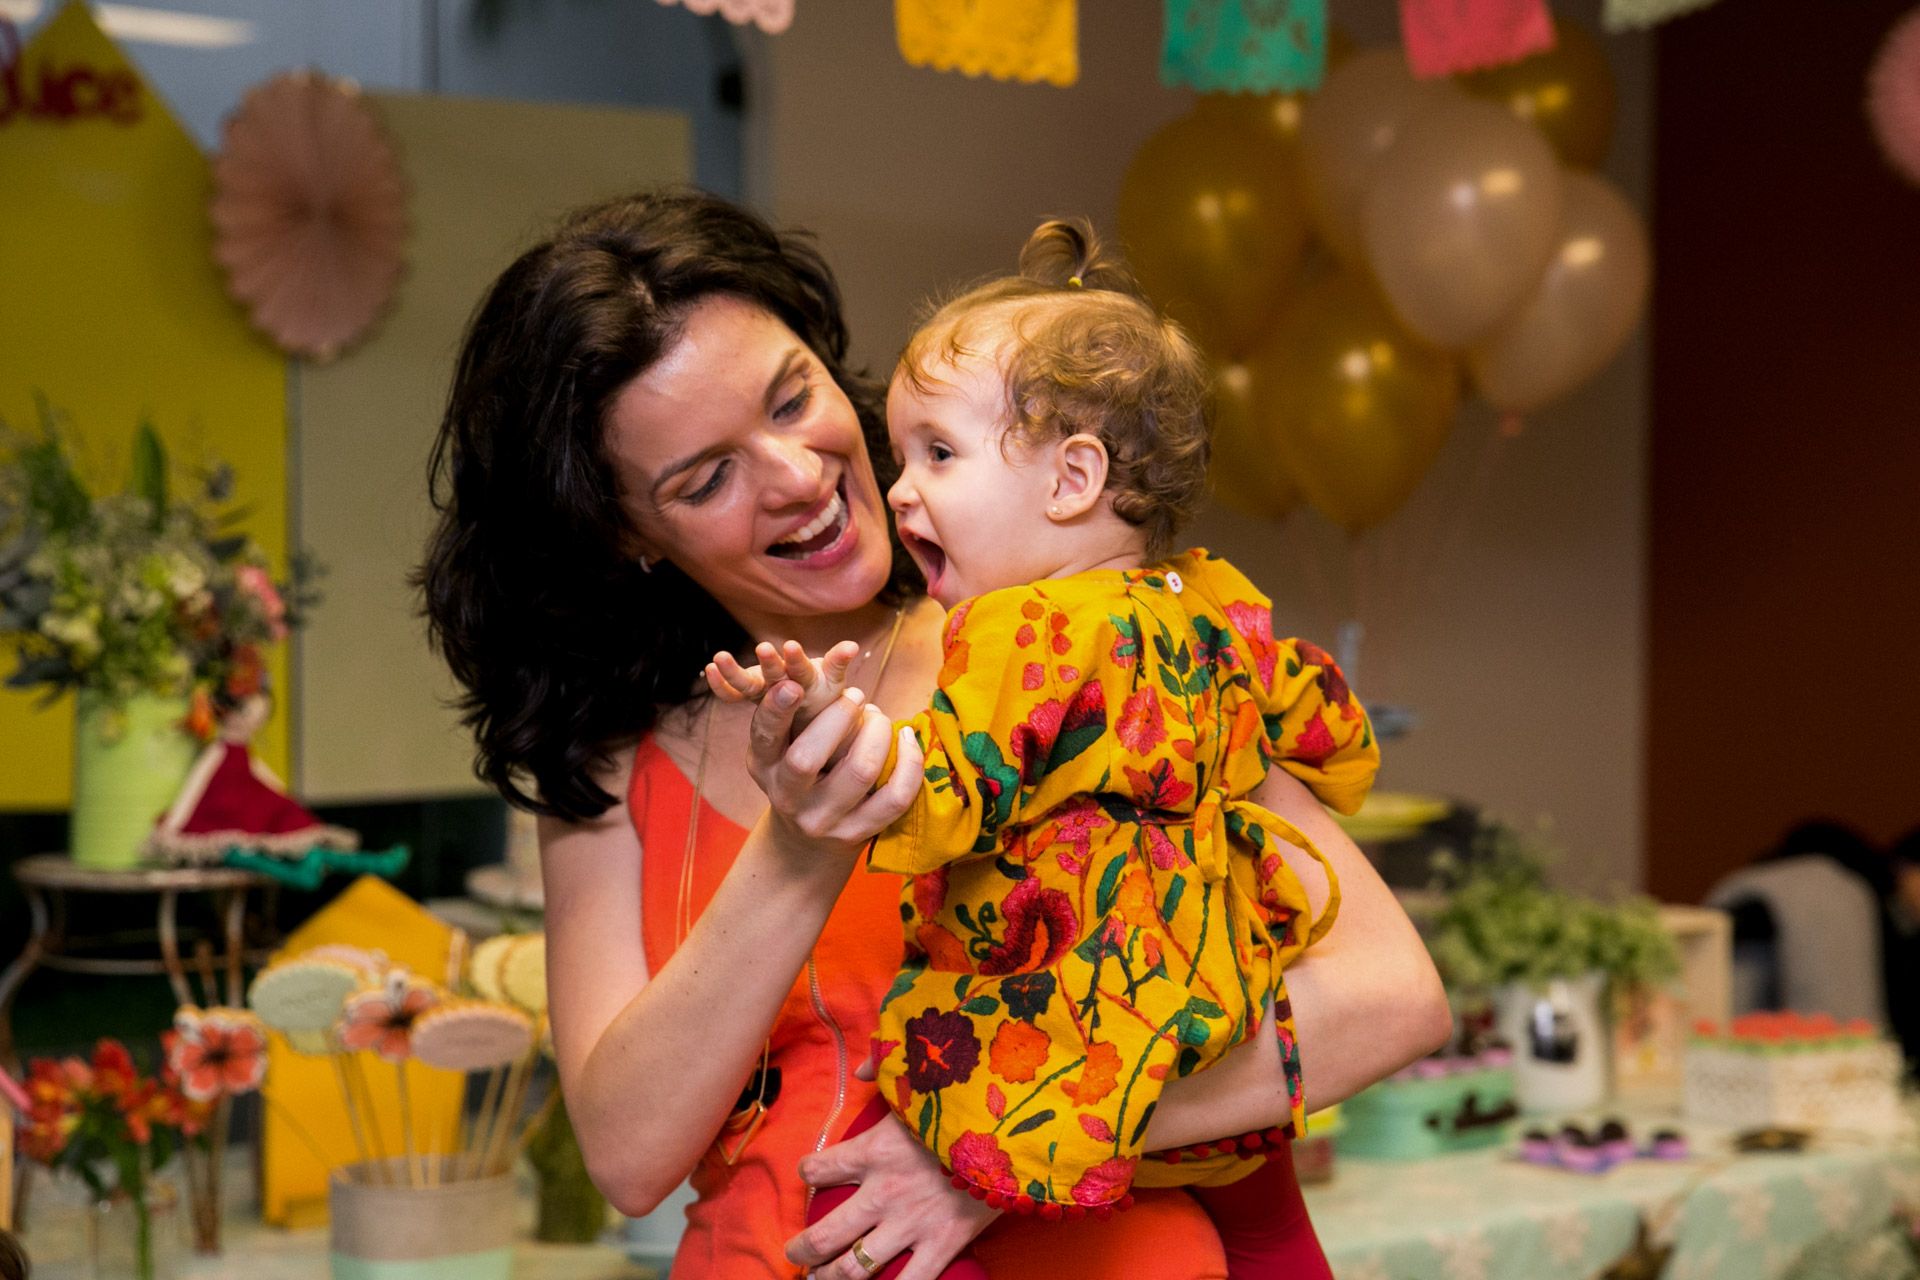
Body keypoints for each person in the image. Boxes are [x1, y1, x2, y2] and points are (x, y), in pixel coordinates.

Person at [420, 188, 1450, 1280]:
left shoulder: (1064, 636)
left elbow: (1388, 997)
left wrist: (1000, 1142)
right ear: (624, 529)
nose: (797, 477)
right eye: (708, 476)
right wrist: (801, 840)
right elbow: (628, 1154)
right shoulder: (612, 757)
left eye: (789, 398)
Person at [705, 219, 1375, 1277]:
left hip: (1077, 1010)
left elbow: (953, 780)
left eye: (938, 454)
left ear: (1071, 480)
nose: (903, 488)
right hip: (1209, 1008)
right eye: (902, 454)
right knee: (1273, 1238)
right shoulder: (1209, 597)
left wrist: (841, 745)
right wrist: (1322, 751)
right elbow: (1316, 716)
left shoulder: (1021, 631)